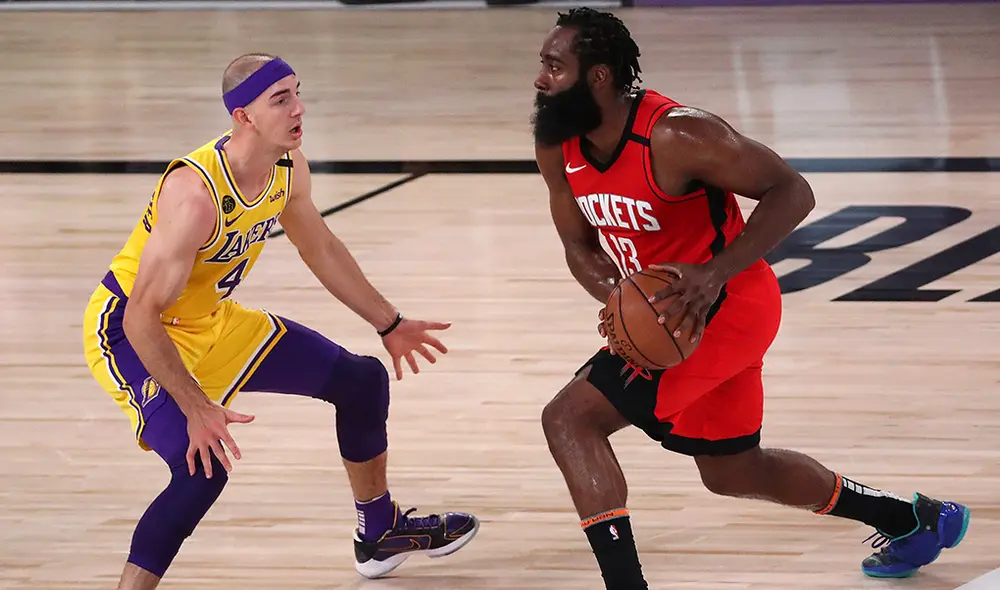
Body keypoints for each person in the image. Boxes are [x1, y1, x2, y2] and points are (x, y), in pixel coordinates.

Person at [531, 8, 969, 589]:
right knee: (733, 471)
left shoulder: (678, 134)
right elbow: (578, 245)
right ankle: (912, 519)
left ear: (600, 77)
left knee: (569, 420)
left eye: (554, 66)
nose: (540, 79)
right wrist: (621, 297)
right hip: (674, 317)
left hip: (732, 303)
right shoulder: (558, 146)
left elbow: (794, 190)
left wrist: (715, 272)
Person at [81, 53, 478, 590]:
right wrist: (196, 406)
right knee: (203, 471)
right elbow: (140, 316)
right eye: (281, 99)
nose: (299, 109)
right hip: (133, 332)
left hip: (210, 322)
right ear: (242, 115)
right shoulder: (195, 195)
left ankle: (379, 532)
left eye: (298, 93)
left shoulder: (287, 168)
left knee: (362, 382)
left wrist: (389, 323)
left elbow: (321, 248)